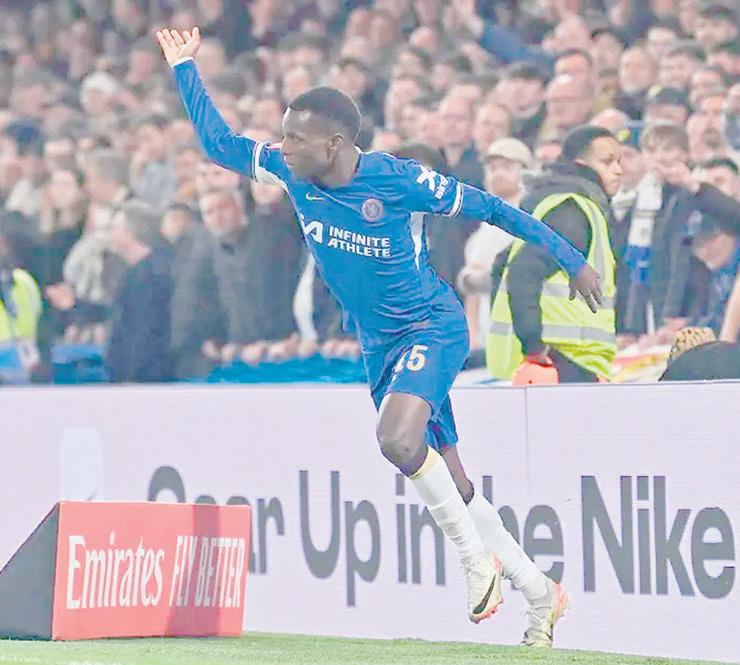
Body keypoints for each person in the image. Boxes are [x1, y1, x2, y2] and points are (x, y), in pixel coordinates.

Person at [158, 26, 602, 646]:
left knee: (396, 439)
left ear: (335, 144)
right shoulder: (293, 173)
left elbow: (496, 209)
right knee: (454, 480)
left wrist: (572, 259)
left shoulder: (401, 181)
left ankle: (474, 560)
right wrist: (185, 68)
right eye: (282, 134)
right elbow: (219, 145)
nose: (282, 147)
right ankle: (540, 593)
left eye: (295, 138)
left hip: (431, 324)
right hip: (379, 345)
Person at [488, 126, 621, 384]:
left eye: (619, 161)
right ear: (581, 164)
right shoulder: (572, 212)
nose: (618, 170)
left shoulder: (556, 206)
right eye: (607, 162)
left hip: (559, 364)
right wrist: (534, 347)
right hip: (560, 365)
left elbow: (501, 266)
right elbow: (522, 271)